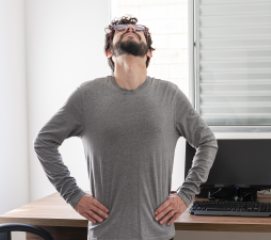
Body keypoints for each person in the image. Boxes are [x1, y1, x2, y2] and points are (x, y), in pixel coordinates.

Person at [34, 16, 218, 240]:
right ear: (108, 52)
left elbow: (207, 141)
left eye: (138, 29)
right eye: (120, 29)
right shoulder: (86, 96)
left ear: (149, 52)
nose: (130, 29)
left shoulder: (170, 95)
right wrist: (73, 195)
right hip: (106, 234)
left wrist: (185, 195)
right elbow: (44, 142)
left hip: (158, 233)